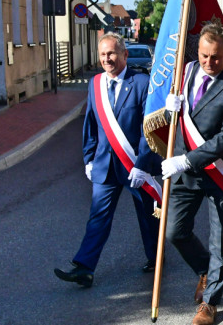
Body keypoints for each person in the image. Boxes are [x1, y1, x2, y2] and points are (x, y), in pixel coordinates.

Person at [158, 23, 223, 325]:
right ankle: (203, 269)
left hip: (217, 172)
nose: (210, 63)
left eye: (216, 57)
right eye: (204, 56)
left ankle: (209, 302)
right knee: (174, 231)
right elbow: (178, 117)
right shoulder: (184, 73)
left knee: (221, 242)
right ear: (197, 51)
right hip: (184, 172)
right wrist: (169, 108)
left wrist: (186, 160)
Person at [54, 33, 161, 288]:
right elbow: (90, 123)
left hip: (135, 164)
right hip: (105, 164)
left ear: (124, 54)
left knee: (148, 216)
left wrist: (143, 164)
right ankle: (85, 267)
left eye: (111, 54)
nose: (107, 59)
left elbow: (149, 129)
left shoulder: (142, 82)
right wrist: (89, 158)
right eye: (102, 55)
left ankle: (156, 258)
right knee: (98, 216)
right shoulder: (95, 84)